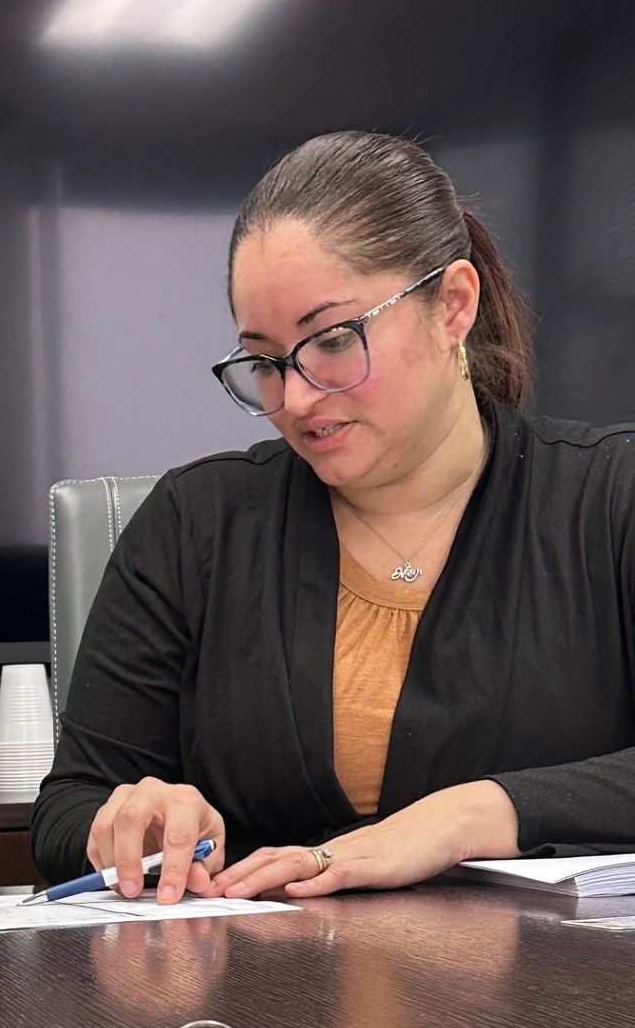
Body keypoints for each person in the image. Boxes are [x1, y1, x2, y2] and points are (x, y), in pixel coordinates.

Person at [32, 130, 635, 905]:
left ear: (453, 304)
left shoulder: (610, 499)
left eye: (334, 341)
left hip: (556, 1010)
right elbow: (67, 808)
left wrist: (473, 813)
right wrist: (133, 821)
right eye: (266, 360)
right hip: (259, 1008)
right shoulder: (195, 525)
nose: (297, 400)